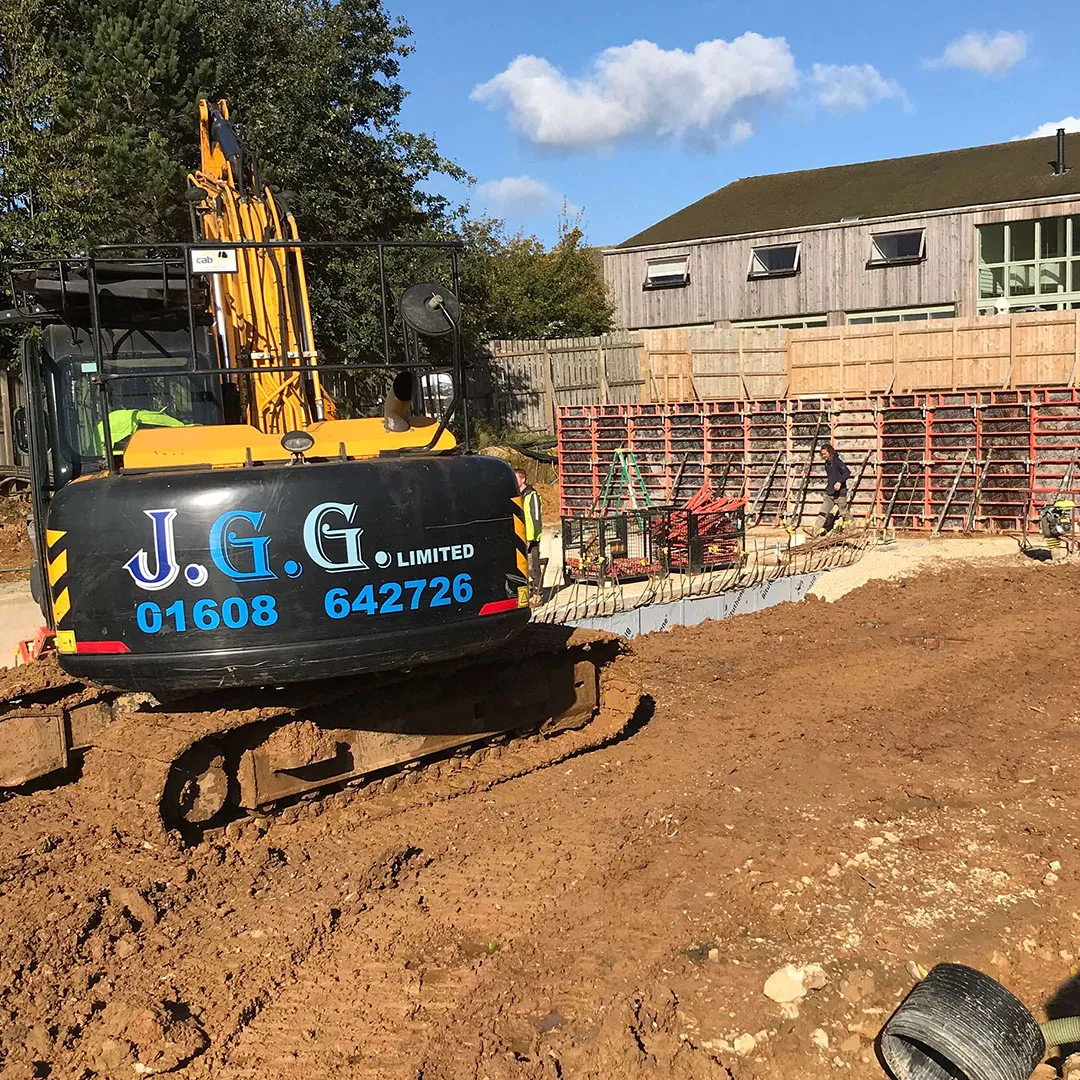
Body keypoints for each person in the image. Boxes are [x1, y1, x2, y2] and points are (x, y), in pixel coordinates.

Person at [515, 469, 543, 601]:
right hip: (519, 536)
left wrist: (530, 539)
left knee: (533, 566)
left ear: (523, 480)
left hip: (530, 538)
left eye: (516, 479)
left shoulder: (531, 495)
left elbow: (534, 518)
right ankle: (528, 592)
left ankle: (538, 594)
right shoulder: (517, 495)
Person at [814, 443, 851, 534]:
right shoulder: (827, 463)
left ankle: (852, 531)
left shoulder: (838, 462)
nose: (824, 456)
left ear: (830, 452)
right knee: (823, 512)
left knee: (844, 513)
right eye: (822, 454)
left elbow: (847, 472)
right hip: (830, 493)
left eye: (825, 454)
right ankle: (815, 532)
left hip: (840, 493)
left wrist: (839, 482)